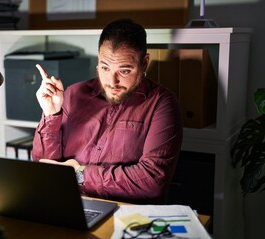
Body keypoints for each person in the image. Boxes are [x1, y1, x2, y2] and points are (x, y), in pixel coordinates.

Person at [31, 18, 182, 204]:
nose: (112, 81)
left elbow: (152, 180)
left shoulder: (162, 103)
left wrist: (80, 175)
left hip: (125, 214)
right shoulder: (74, 93)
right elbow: (44, 167)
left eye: (124, 71)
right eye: (105, 67)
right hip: (68, 203)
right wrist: (51, 114)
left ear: (144, 63)